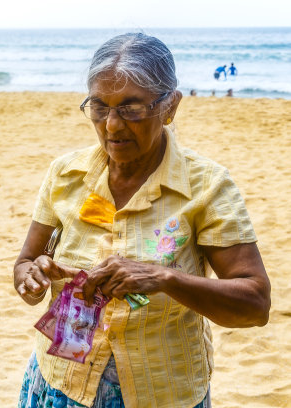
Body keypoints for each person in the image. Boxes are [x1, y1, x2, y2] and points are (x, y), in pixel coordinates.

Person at [14, 33, 270, 408]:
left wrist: (165, 278)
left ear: (170, 106)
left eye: (131, 109)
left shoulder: (207, 187)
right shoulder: (65, 175)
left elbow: (256, 304)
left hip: (161, 393)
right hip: (60, 382)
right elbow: (24, 263)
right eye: (99, 108)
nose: (112, 126)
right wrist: (31, 279)